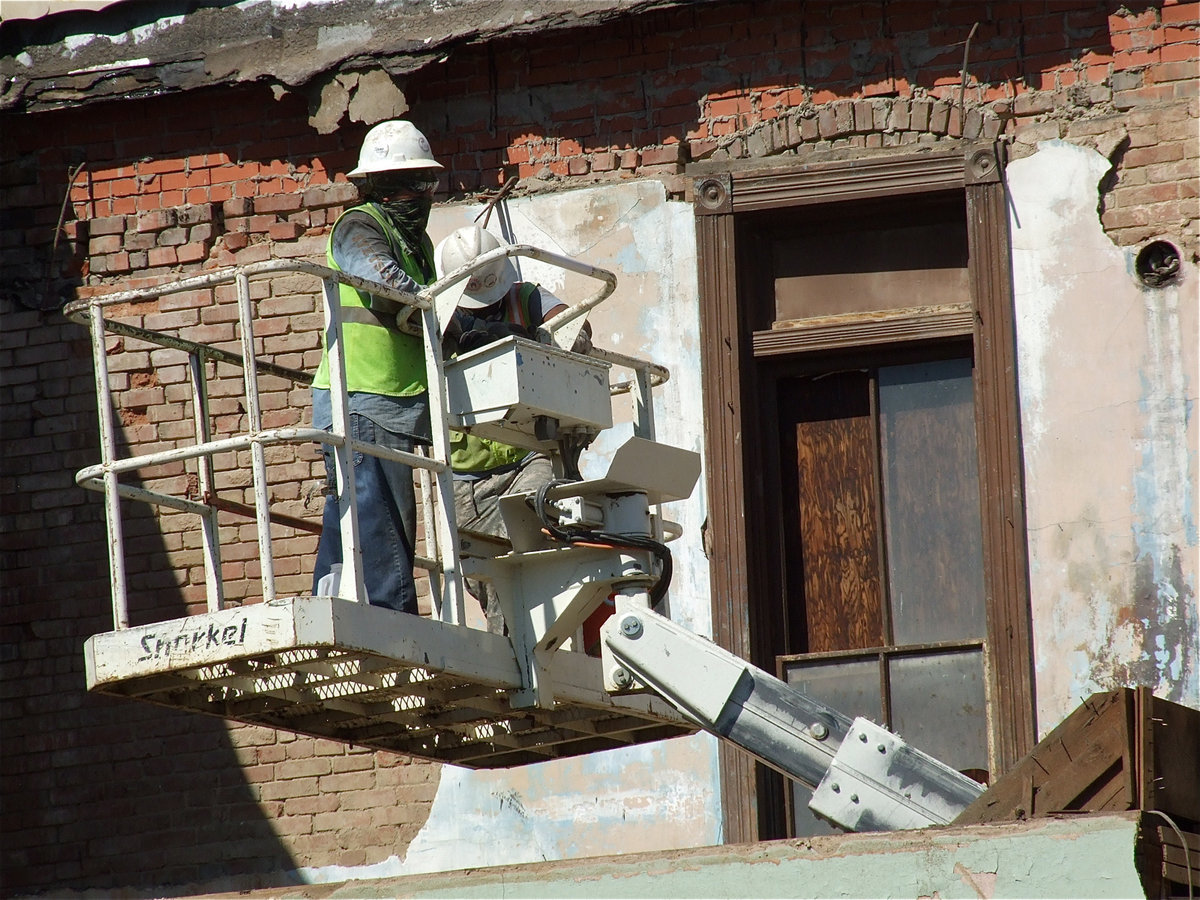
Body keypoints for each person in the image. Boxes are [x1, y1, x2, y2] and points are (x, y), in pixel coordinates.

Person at [310, 120, 442, 614]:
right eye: (414, 185)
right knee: (376, 517)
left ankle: (334, 604)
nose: (423, 196)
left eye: (428, 184)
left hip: (393, 401)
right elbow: (386, 287)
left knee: (356, 515)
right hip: (362, 397)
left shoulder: (418, 245)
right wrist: (435, 312)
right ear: (383, 187)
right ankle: (387, 619)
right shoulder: (359, 226)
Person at [434, 224, 593, 633]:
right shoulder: (438, 312)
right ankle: (515, 650)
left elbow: (576, 330)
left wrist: (533, 338)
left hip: (527, 456)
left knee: (527, 545)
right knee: (483, 579)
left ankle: (522, 652)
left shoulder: (527, 297)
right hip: (462, 470)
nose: (486, 307)